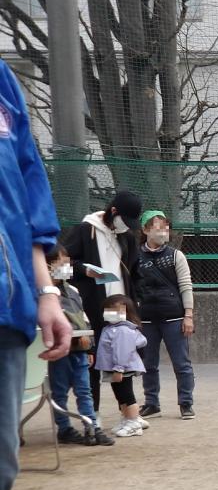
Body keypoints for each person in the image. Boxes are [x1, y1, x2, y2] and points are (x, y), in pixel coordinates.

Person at [0, 57, 74, 490]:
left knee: (0, 466)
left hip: (6, 306)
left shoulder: (3, 84)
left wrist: (46, 291)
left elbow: (25, 192)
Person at [64, 189, 142, 415]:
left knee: (121, 359)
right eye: (123, 219)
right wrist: (83, 270)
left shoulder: (127, 236)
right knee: (91, 360)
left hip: (118, 309)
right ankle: (92, 415)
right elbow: (60, 266)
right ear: (113, 211)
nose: (126, 226)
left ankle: (129, 413)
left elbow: (136, 272)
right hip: (90, 308)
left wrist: (136, 302)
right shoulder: (85, 230)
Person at [134, 210, 197, 420]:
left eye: (166, 227)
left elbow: (186, 286)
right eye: (158, 227)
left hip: (174, 317)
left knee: (182, 363)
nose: (164, 231)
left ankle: (186, 403)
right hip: (146, 319)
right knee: (148, 364)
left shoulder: (176, 256)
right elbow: (131, 287)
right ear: (145, 230)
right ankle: (152, 403)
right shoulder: (135, 257)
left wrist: (188, 315)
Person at [47, 250, 114, 446]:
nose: (67, 268)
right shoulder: (44, 295)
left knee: (84, 391)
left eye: (68, 263)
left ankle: (92, 428)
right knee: (59, 393)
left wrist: (89, 347)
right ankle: (64, 429)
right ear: (48, 266)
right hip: (59, 352)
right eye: (62, 263)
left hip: (80, 351)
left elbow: (84, 319)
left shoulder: (73, 291)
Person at [94, 294, 148, 438]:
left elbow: (123, 351)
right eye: (109, 310)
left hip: (122, 368)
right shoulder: (111, 328)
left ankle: (134, 422)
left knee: (127, 395)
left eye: (117, 310)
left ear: (127, 312)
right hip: (114, 368)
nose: (112, 314)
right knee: (120, 396)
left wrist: (119, 369)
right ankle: (127, 419)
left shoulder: (122, 330)